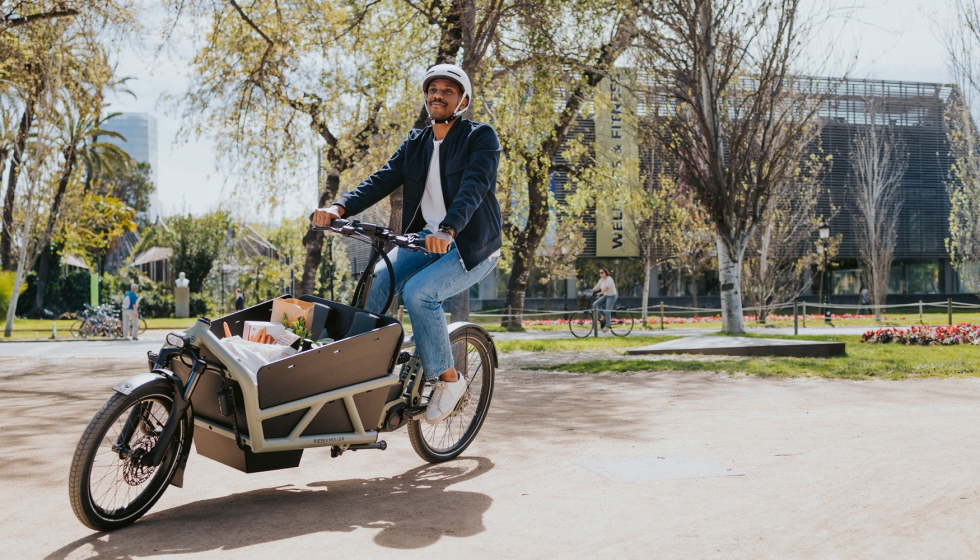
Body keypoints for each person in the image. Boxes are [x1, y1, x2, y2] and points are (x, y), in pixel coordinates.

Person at [313, 64, 502, 425]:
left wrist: (448, 229)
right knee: (378, 280)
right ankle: (366, 369)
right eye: (433, 89)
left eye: (448, 90)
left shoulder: (480, 137)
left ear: (462, 100)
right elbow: (382, 178)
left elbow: (474, 187)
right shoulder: (416, 142)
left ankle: (449, 381)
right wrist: (338, 207)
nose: (438, 95)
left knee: (419, 294)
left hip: (470, 246)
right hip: (422, 240)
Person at [592, 268, 618, 332]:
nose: (600, 274)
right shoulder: (601, 280)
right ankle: (604, 315)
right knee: (595, 304)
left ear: (606, 273)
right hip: (605, 296)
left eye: (602, 272)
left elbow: (607, 287)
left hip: (612, 296)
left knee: (608, 310)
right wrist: (591, 291)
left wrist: (601, 292)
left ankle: (607, 326)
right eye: (600, 273)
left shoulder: (609, 279)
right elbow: (597, 286)